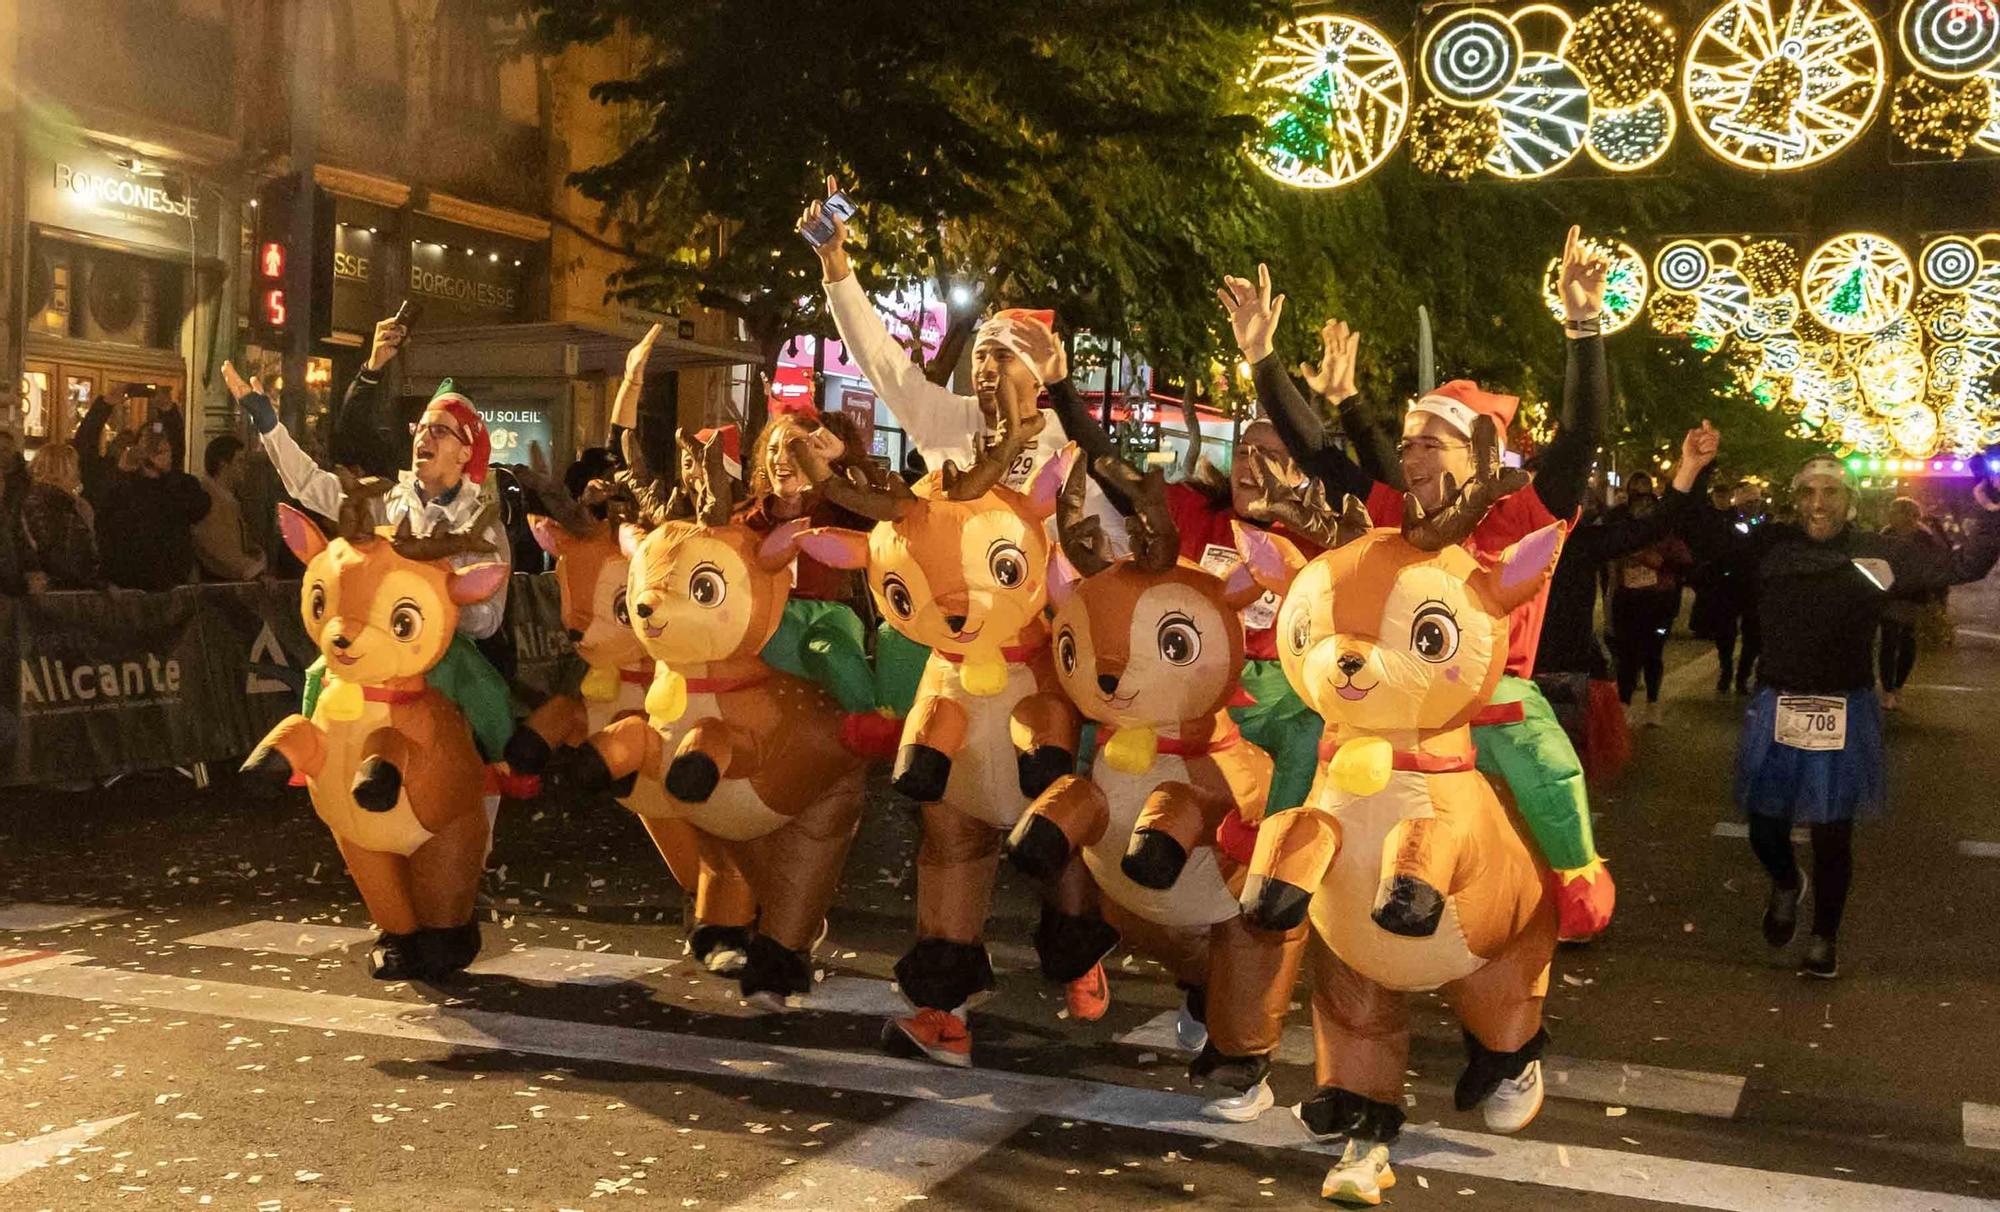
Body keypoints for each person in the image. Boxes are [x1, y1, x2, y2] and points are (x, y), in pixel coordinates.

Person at [1221, 230, 1618, 943]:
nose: (1409, 457)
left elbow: (1581, 432)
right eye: (1405, 446)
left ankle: (1577, 871)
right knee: (1307, 725)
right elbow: (1316, 450)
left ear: (1479, 456)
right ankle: (1268, 842)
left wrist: (1584, 325)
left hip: (1487, 698)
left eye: (1428, 444)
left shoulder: (1521, 513)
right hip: (1384, 698)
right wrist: (1261, 358)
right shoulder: (1385, 516)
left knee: (1542, 755)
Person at [1681, 430, 2000, 977]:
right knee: (1763, 825)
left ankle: (1824, 937)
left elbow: (1963, 567)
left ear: (1851, 501)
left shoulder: (1876, 554)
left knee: (1832, 831)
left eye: (1831, 493)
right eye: (1809, 493)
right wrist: (1692, 472)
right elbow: (1701, 535)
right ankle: (1786, 881)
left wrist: (1991, 508)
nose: (1819, 504)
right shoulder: (1772, 545)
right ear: (1795, 499)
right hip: (1777, 699)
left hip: (1842, 709)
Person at [223, 360, 515, 767]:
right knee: (316, 675)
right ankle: (310, 757)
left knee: (480, 688)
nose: (423, 437)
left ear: (465, 450)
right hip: (376, 644)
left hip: (437, 649)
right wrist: (269, 424)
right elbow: (310, 485)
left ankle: (506, 766)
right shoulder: (384, 500)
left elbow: (488, 620)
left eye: (440, 429)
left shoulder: (480, 525)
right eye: (421, 428)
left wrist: (433, 605)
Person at [737, 410, 883, 715]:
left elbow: (880, 504)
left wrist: (845, 456)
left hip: (832, 615)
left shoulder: (837, 511)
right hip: (770, 619)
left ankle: (876, 725)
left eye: (794, 448)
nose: (781, 459)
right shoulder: (745, 521)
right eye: (774, 449)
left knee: (833, 653)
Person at [1605, 472, 1692, 727]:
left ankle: (1653, 704)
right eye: (1638, 505)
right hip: (1627, 600)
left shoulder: (1666, 535)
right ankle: (1624, 703)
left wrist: (1661, 563)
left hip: (1657, 602)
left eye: (1648, 505)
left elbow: (1685, 560)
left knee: (1653, 653)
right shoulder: (1622, 532)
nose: (1642, 510)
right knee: (1626, 654)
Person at [97, 428, 212, 591]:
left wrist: (170, 478)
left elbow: (200, 508)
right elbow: (107, 520)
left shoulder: (179, 484)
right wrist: (121, 474)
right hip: (132, 577)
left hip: (173, 574)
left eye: (169, 451)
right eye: (162, 452)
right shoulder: (126, 487)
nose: (169, 457)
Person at [1876, 497, 1944, 711]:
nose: (1893, 516)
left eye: (1897, 512)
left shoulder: (1925, 538)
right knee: (1888, 641)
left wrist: (1937, 595)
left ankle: (1897, 686)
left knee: (1906, 641)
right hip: (1890, 593)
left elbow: (1937, 566)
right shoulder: (1886, 535)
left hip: (1913, 595)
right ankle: (1888, 689)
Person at [20, 442, 100, 591]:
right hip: (60, 588)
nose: (79, 472)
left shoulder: (64, 504)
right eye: (75, 466)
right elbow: (60, 552)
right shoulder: (53, 506)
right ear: (64, 470)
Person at [192, 435, 268, 581]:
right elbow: (218, 549)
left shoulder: (230, 499)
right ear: (223, 465)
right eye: (239, 461)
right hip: (217, 587)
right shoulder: (207, 500)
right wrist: (253, 570)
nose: (245, 467)